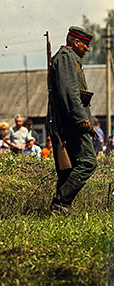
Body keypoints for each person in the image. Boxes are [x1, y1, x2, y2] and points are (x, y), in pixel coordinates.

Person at [48, 26, 97, 213]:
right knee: (88, 163)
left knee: (69, 167)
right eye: (85, 44)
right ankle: (61, 203)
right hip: (72, 122)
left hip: (69, 121)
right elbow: (70, 91)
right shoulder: (67, 57)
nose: (88, 49)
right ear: (75, 42)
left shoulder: (68, 57)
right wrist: (80, 117)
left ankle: (60, 209)